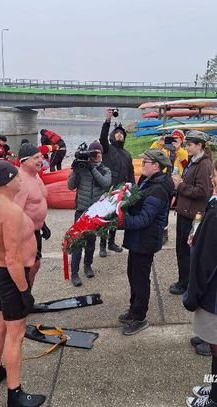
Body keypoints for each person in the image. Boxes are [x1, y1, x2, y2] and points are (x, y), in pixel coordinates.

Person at [0, 161, 46, 407]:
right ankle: (15, 394)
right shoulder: (10, 211)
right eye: (17, 177)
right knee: (15, 334)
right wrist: (23, 292)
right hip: (10, 277)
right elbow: (13, 258)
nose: (21, 180)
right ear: (9, 182)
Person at [117, 149, 174, 335]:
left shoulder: (158, 189)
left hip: (145, 241)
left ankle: (140, 317)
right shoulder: (149, 181)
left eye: (145, 163)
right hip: (138, 240)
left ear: (156, 166)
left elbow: (144, 219)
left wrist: (119, 222)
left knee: (140, 279)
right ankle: (133, 310)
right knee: (132, 274)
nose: (142, 166)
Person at [183, 159, 217, 407]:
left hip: (214, 296)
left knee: (216, 348)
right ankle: (214, 388)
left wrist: (191, 296)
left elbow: (204, 263)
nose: (212, 180)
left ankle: (215, 398)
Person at [170, 130, 213, 296]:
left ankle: (186, 284)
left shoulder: (204, 164)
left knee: (187, 251)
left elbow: (203, 191)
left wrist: (180, 186)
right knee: (181, 249)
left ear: (199, 145)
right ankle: (183, 280)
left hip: (192, 215)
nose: (186, 147)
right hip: (185, 212)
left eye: (189, 144)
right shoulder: (194, 162)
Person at [67, 141, 111, 287]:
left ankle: (88, 266)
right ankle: (74, 273)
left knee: (91, 242)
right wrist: (75, 170)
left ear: (102, 154)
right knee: (77, 243)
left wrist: (92, 169)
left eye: (98, 153)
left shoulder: (105, 170)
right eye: (93, 153)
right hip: (81, 211)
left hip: (95, 212)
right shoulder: (82, 168)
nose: (96, 156)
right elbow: (70, 186)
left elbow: (106, 184)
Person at [99, 109, 135, 257]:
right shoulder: (107, 149)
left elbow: (131, 172)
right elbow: (102, 139)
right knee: (105, 217)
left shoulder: (127, 154)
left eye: (122, 133)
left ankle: (111, 242)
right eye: (117, 133)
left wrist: (133, 188)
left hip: (121, 191)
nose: (119, 135)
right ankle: (102, 245)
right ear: (112, 136)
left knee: (115, 217)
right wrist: (107, 121)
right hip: (108, 189)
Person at [14, 144, 50, 289]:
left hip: (36, 230)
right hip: (26, 234)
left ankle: (27, 295)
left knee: (35, 265)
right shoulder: (20, 182)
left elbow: (38, 203)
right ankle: (23, 297)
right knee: (27, 267)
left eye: (41, 156)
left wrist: (43, 224)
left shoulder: (35, 176)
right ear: (24, 161)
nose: (41, 160)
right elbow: (15, 213)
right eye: (36, 157)